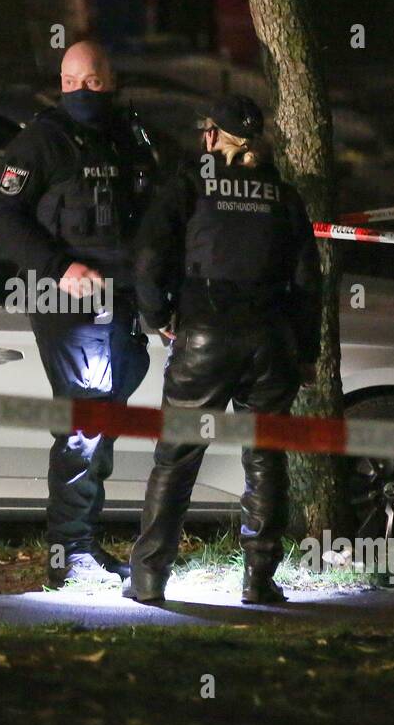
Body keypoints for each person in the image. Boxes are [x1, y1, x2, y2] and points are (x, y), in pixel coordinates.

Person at [126, 94, 321, 604]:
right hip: (271, 338)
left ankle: (148, 579)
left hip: (205, 335)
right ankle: (259, 580)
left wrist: (156, 315)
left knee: (177, 459)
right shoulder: (283, 195)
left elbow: (148, 256)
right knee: (265, 458)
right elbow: (307, 281)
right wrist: (306, 351)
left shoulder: (189, 185)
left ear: (211, 136)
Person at [0, 40, 159, 585]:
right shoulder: (40, 142)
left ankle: (81, 543)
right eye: (70, 82)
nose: (81, 92)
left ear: (111, 80)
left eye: (91, 81)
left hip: (124, 298)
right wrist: (59, 267)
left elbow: (154, 215)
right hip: (68, 302)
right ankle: (70, 553)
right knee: (85, 423)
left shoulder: (130, 137)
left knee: (101, 421)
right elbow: (3, 214)